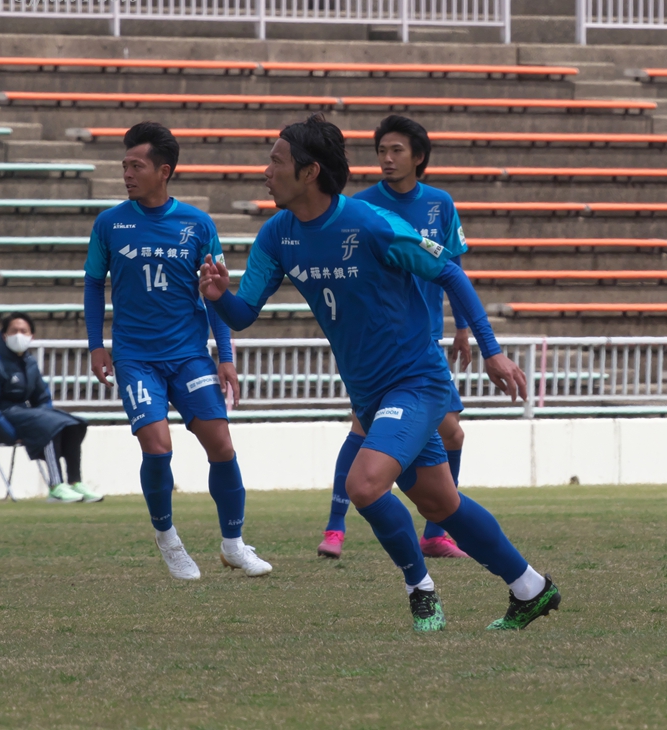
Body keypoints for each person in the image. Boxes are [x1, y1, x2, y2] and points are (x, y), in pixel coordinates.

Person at [201, 113, 560, 632]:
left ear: (310, 172)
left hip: (417, 381)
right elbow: (242, 314)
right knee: (442, 503)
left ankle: (420, 589)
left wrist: (492, 350)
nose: (266, 171)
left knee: (364, 485)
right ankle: (531, 588)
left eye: (276, 161)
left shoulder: (371, 224)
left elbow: (449, 272)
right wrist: (218, 297)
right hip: (369, 393)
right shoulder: (278, 235)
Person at [83, 121, 271, 581]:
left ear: (163, 171)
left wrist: (225, 356)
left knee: (221, 445)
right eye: (124, 165)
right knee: (157, 445)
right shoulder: (109, 224)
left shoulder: (197, 224)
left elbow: (215, 293)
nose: (127, 174)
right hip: (135, 357)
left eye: (136, 166)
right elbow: (92, 284)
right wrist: (96, 346)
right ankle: (168, 539)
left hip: (189, 355)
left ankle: (233, 545)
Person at [317, 114, 471, 561]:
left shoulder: (440, 204)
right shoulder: (362, 206)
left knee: (452, 434)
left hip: (425, 340)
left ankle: (435, 533)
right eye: (381, 150)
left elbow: (453, 269)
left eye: (396, 150)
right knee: (362, 426)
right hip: (380, 343)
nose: (386, 158)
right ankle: (335, 527)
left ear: (418, 157)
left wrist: (462, 328)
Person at [0, 312, 101, 503]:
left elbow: (42, 397)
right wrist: (9, 433)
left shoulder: (29, 363)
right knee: (49, 426)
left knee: (72, 424)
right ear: (4, 335)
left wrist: (46, 415)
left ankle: (75, 482)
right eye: (14, 331)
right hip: (0, 422)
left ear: (32, 336)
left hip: (24, 416)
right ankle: (56, 486)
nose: (19, 335)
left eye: (24, 331)